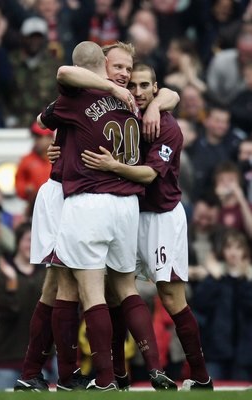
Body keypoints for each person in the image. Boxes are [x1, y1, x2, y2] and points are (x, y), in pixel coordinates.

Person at [15, 40, 180, 392]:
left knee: (77, 288)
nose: (123, 75)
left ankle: (72, 375)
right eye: (117, 67)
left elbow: (169, 95)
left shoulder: (125, 99)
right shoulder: (91, 94)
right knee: (65, 285)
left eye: (127, 69)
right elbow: (46, 116)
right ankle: (48, 373)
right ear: (101, 65)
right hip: (74, 193)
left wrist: (150, 106)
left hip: (88, 198)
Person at [81, 62, 213, 390]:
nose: (138, 92)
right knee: (115, 293)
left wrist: (112, 165)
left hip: (162, 216)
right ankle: (119, 375)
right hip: (129, 214)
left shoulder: (167, 128)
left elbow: (150, 175)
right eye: (134, 85)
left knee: (170, 297)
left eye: (145, 86)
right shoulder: (124, 114)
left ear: (154, 89)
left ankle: (200, 376)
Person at [0, 222, 46, 391]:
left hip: (40, 361)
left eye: (35, 241)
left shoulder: (46, 272)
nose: (31, 245)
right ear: (18, 242)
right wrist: (12, 283)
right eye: (28, 240)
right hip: (7, 357)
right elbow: (8, 312)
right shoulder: (3, 273)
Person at [193, 228, 252, 381]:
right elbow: (200, 302)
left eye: (238, 248)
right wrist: (215, 278)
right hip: (216, 351)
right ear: (222, 251)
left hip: (245, 354)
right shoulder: (215, 276)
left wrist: (243, 279)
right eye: (229, 247)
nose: (233, 253)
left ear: (245, 252)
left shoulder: (248, 279)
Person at [15, 120, 54, 218]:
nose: (36, 140)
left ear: (50, 138)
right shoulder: (26, 160)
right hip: (34, 208)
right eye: (35, 137)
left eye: (39, 137)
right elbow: (18, 184)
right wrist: (25, 189)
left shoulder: (59, 158)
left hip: (56, 207)